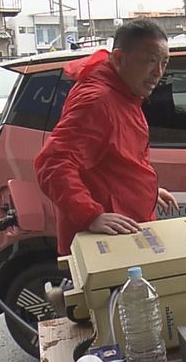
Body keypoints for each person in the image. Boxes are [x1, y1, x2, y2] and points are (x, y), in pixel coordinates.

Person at [35, 19, 176, 254]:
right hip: (108, 244)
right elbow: (53, 163)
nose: (158, 73)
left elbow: (113, 158)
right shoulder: (99, 100)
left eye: (164, 62)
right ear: (119, 59)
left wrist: (144, 191)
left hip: (126, 231)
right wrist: (90, 215)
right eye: (151, 61)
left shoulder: (123, 93)